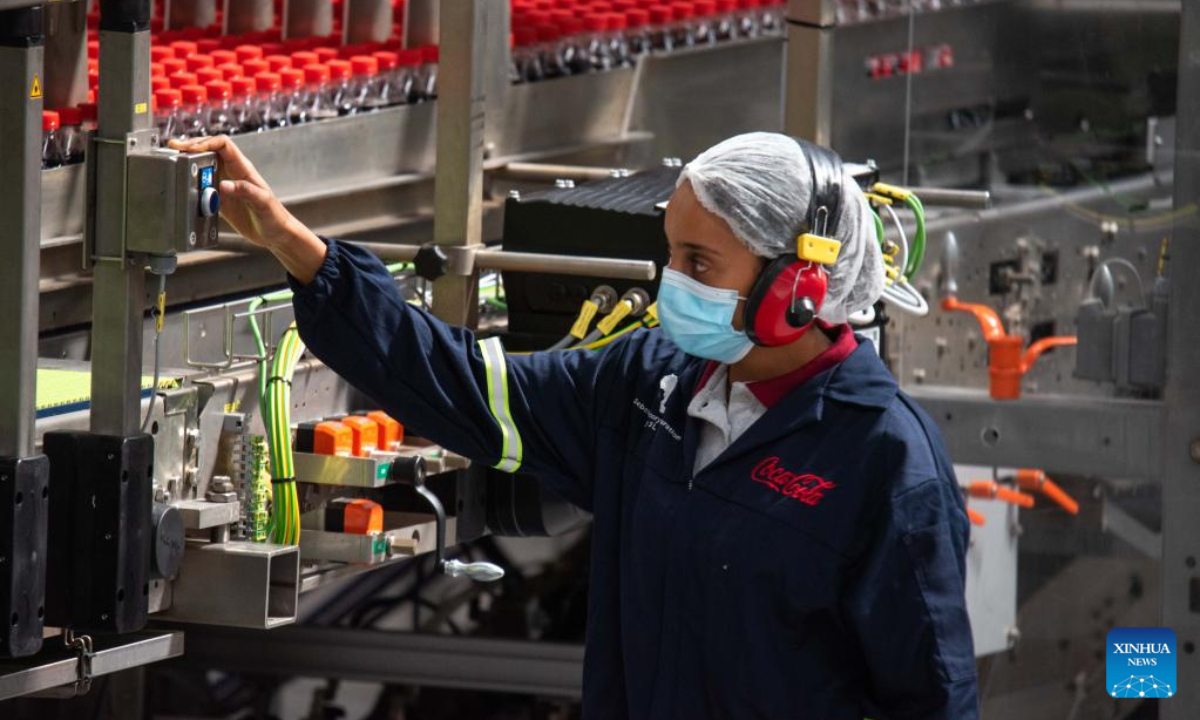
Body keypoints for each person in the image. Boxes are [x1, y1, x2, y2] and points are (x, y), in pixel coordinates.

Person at [170, 131, 978, 719]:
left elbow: (932, 696)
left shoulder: (882, 459)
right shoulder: (651, 384)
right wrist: (300, 250)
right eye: (672, 254)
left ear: (798, 289)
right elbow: (465, 385)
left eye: (700, 263)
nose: (671, 283)